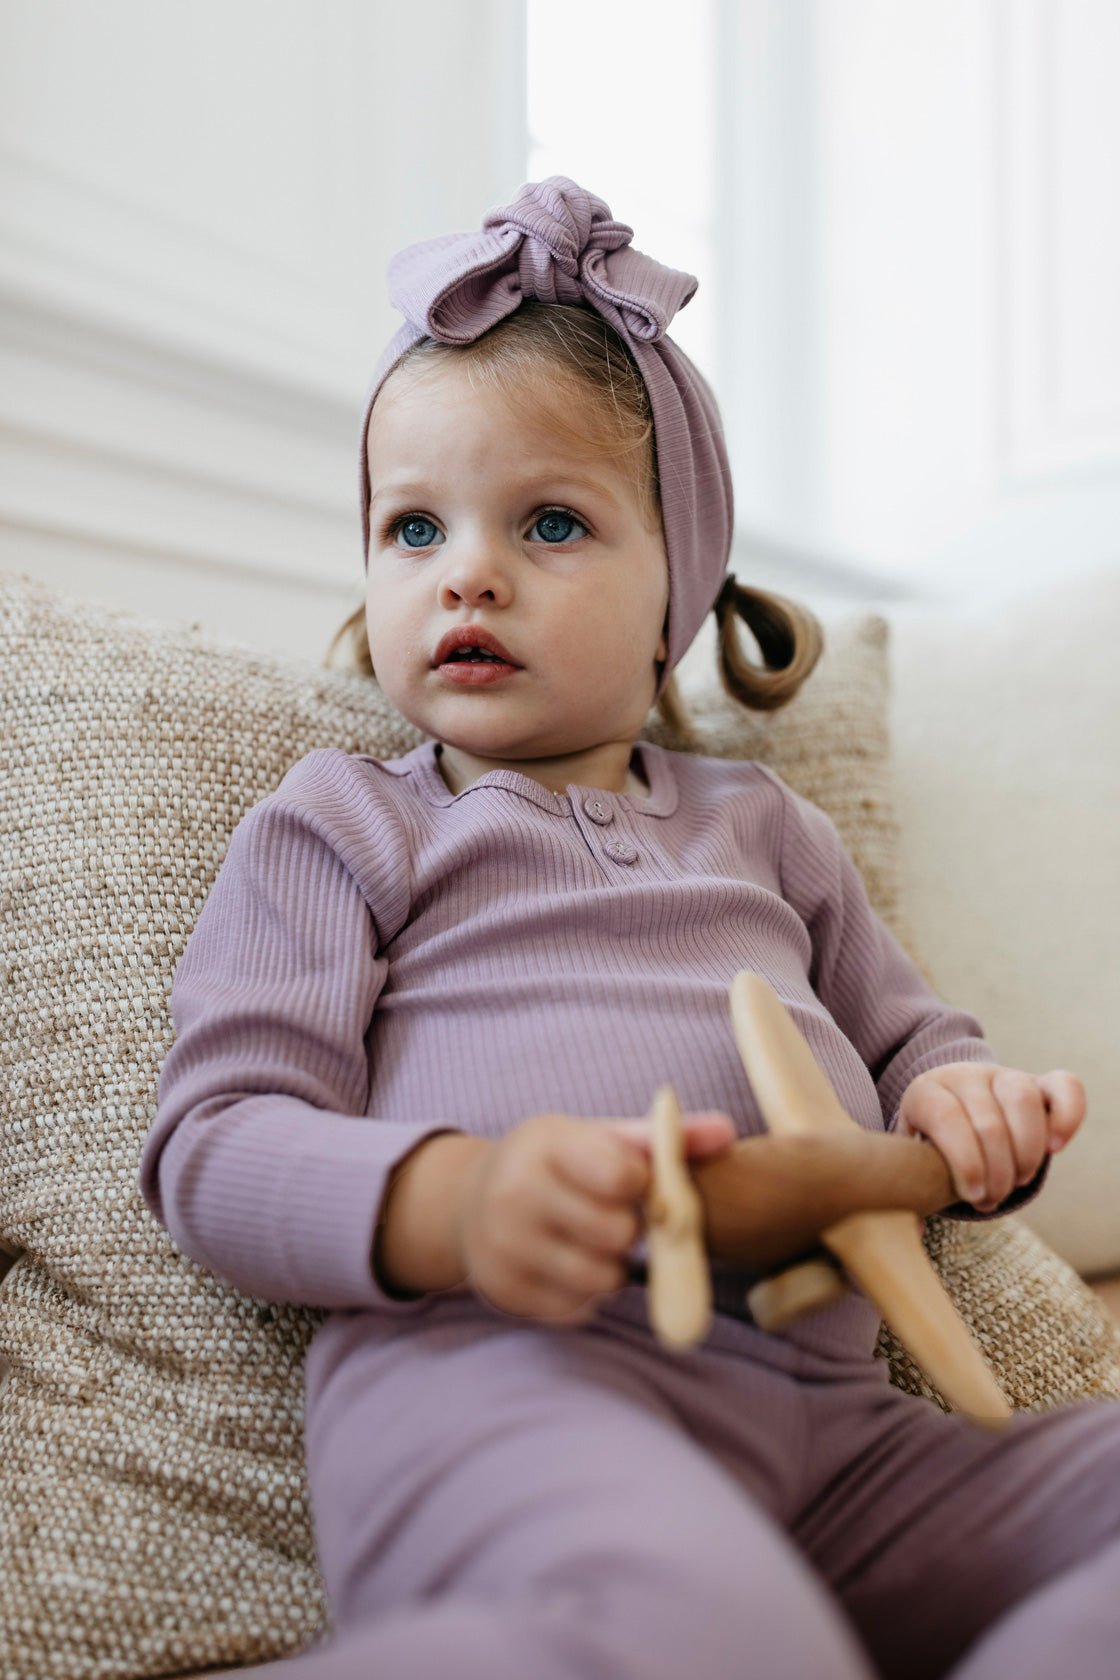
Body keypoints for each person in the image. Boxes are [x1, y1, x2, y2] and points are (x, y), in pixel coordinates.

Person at [138, 177, 1118, 1680]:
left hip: (836, 1432)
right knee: (703, 1630)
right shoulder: (346, 823)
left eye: (548, 521)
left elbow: (915, 1040)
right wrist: (454, 1201)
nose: (465, 570)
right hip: (502, 1382)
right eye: (412, 527)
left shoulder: (765, 829)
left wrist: (966, 1106)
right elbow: (214, 1144)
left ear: (683, 581)